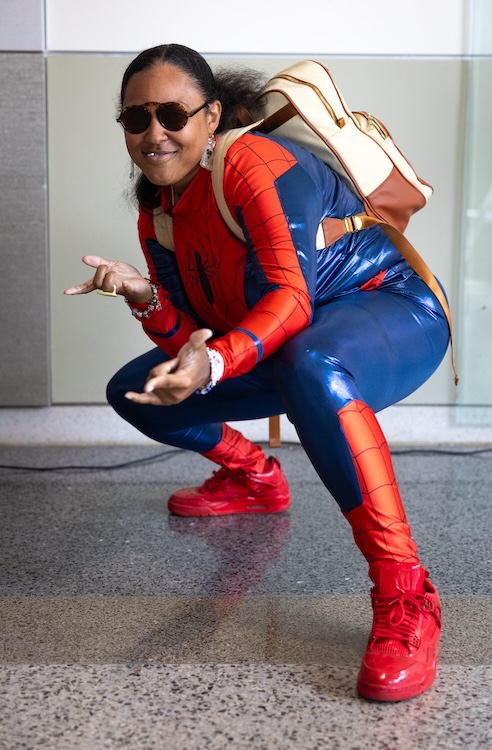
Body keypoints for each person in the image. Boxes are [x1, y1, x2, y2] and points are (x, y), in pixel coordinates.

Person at [65, 43, 450, 702]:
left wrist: (215, 361)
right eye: (137, 120)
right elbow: (195, 343)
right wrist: (146, 299)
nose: (154, 132)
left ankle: (407, 596)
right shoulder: (157, 216)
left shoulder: (253, 162)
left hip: (391, 310)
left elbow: (291, 301)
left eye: (172, 114)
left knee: (311, 361)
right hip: (288, 342)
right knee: (136, 392)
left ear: (211, 116)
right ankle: (256, 476)